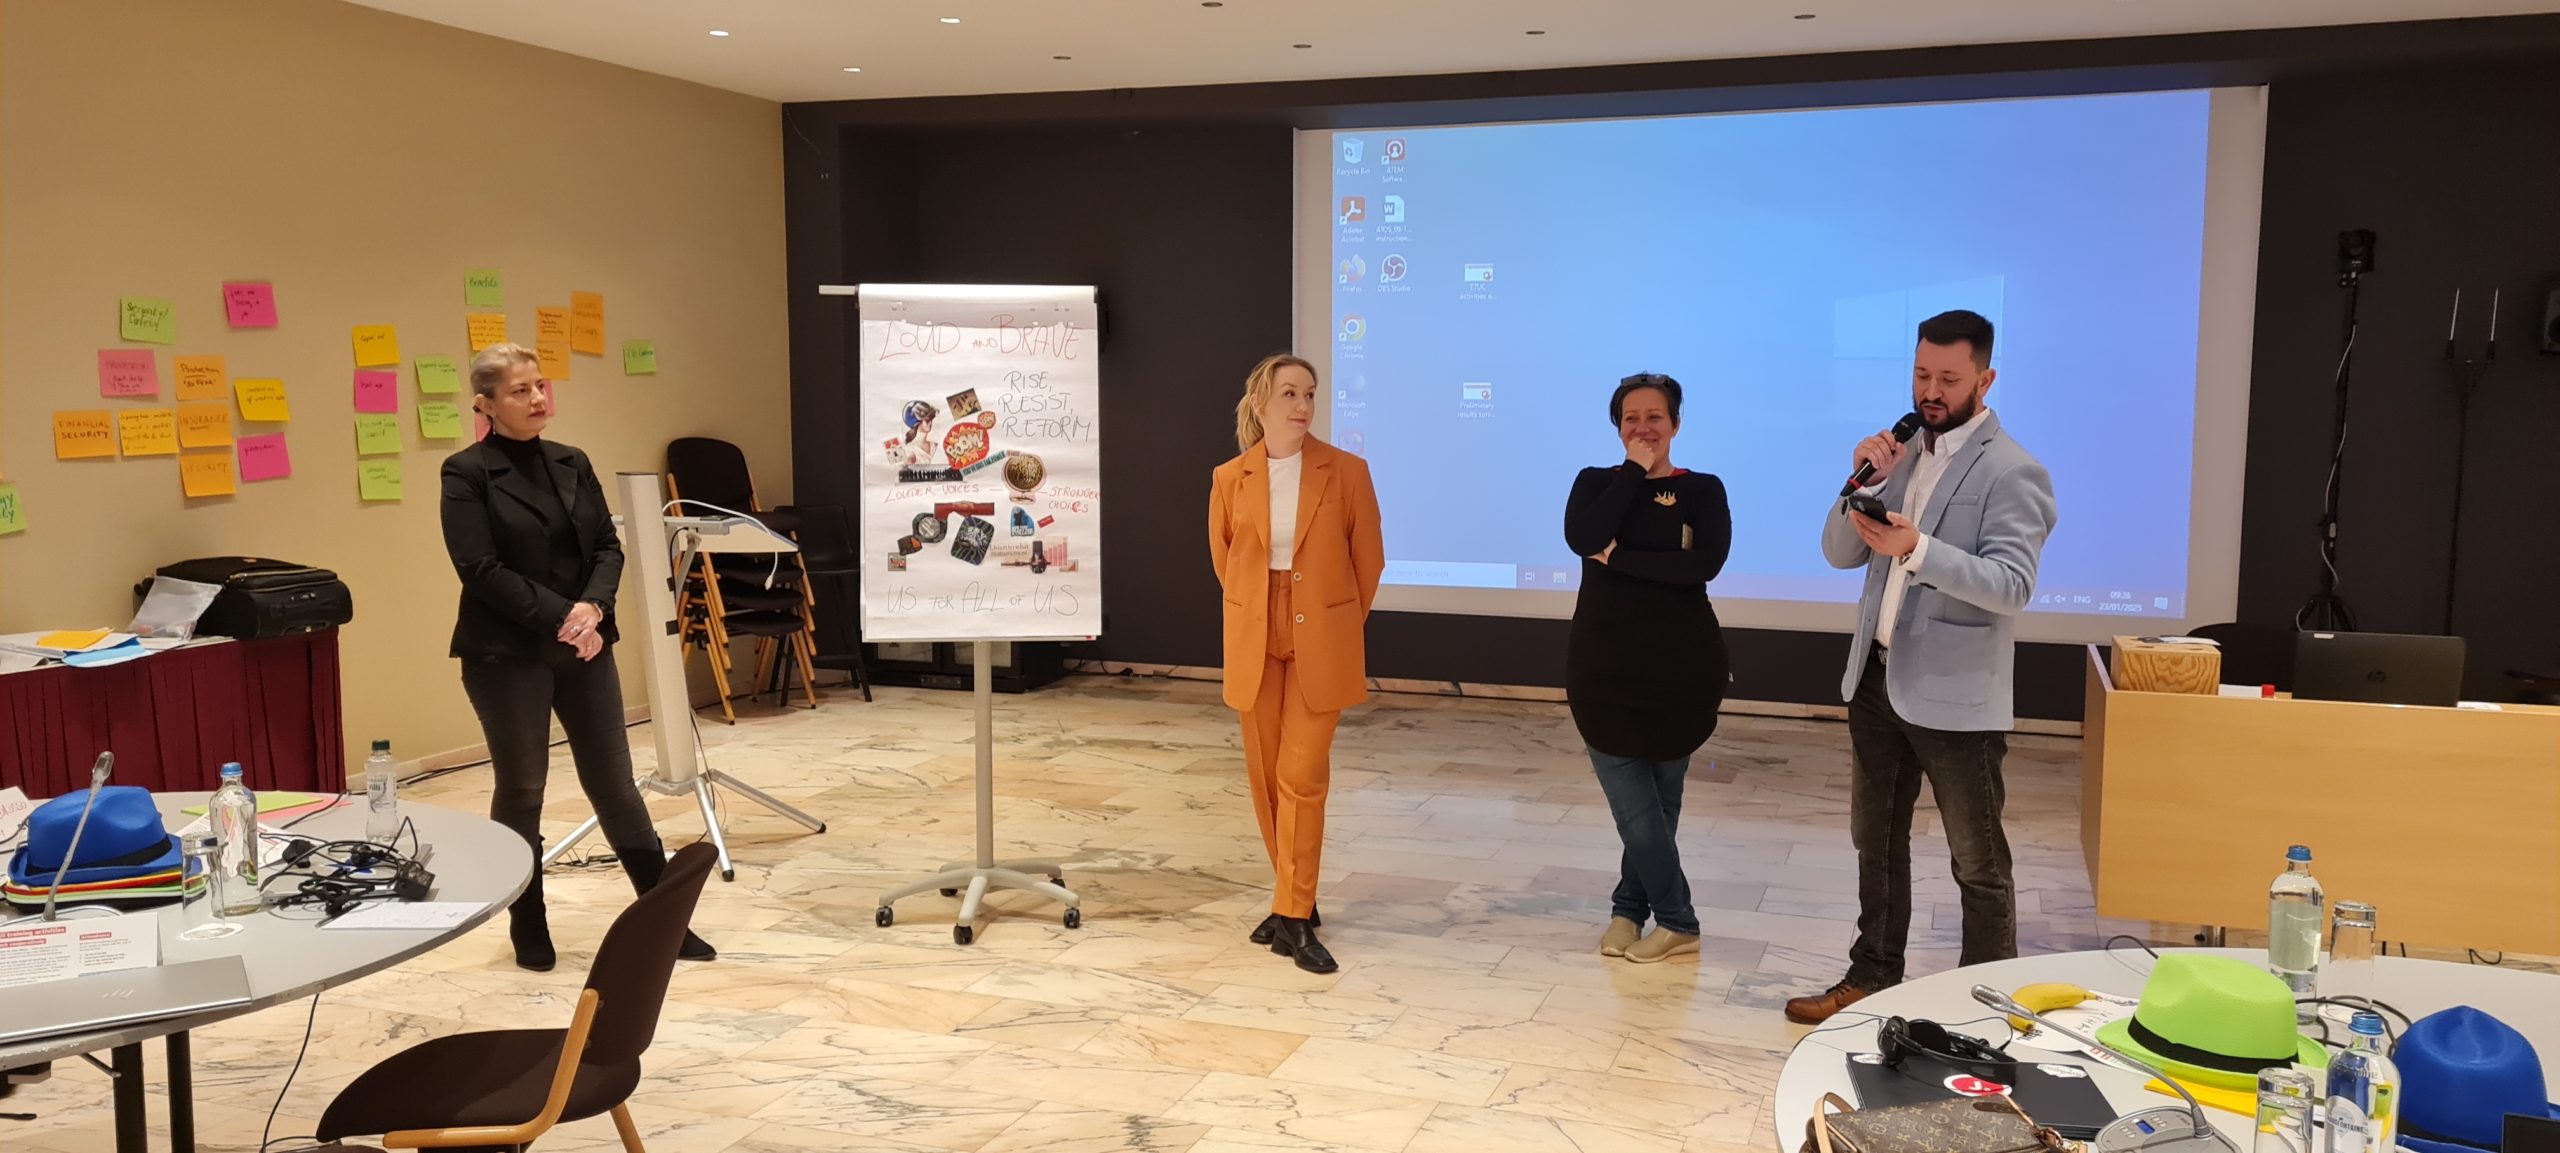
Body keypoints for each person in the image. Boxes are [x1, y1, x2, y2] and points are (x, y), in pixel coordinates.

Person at [1785, 310, 2057, 1024]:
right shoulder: (1899, 453)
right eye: (1921, 374)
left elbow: (2012, 585)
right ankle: (1872, 975)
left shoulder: (2013, 469)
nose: (1930, 392)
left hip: (1957, 695)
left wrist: (1918, 548)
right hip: (1876, 678)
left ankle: (1986, 1004)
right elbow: (1838, 553)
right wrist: (1861, 484)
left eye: (1948, 379)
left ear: (1985, 380)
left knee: (1978, 861)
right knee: (1874, 843)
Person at [442, 342, 716, 972]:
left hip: (586, 643)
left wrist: (592, 608)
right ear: (485, 404)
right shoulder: (466, 473)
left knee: (615, 784)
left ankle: (663, 921)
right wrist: (564, 617)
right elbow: (479, 567)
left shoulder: (572, 460)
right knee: (523, 788)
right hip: (506, 652)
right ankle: (528, 922)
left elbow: (606, 547)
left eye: (540, 385)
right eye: (520, 390)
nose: (538, 398)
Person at [1207, 353, 1384, 974]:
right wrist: (1260, 611)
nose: (1304, 405)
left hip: (1321, 633)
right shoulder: (1230, 477)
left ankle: (1293, 913)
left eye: (1309, 393)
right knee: (1265, 778)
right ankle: (1294, 898)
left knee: (1302, 776)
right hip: (1255, 631)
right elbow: (1225, 560)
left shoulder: (1347, 471)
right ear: (1261, 404)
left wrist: (1334, 624)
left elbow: (1369, 561)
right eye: (1290, 394)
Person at [1563, 373, 1733, 964]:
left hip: (1682, 672)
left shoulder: (1703, 490)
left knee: (1660, 807)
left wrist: (1618, 559)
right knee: (1636, 809)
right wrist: (1634, 472)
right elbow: (1583, 536)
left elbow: (1702, 566)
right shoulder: (1595, 484)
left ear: (1676, 424)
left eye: (1655, 417)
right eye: (1631, 418)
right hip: (1603, 672)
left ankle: (1629, 911)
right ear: (1618, 427)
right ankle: (1678, 919)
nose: (1643, 428)